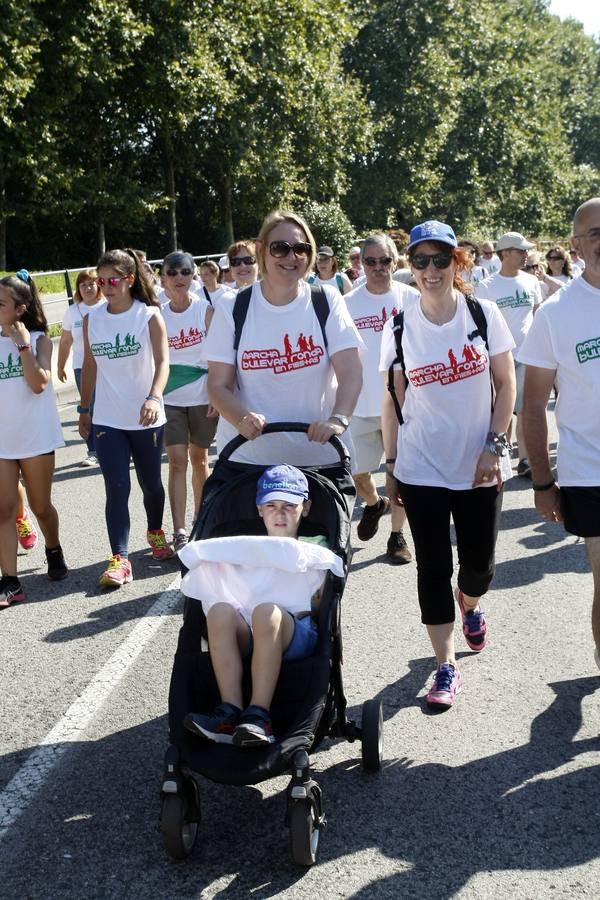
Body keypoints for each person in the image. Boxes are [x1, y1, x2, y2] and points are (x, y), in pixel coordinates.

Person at [380, 221, 516, 708]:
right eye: (421, 260)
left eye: (441, 260)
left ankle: (471, 603)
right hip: (421, 467)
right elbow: (392, 399)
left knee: (478, 567)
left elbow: (506, 385)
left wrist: (493, 445)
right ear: (410, 266)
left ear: (457, 262)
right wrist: (392, 464)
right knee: (432, 568)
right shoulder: (398, 326)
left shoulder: (484, 314)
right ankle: (445, 665)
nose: (430, 270)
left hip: (479, 465)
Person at [181, 465, 343, 746]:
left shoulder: (314, 544)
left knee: (267, 611)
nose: (279, 513)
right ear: (259, 509)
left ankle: (259, 715)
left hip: (295, 631)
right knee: (219, 610)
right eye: (271, 506)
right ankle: (229, 710)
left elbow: (320, 601)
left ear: (305, 508)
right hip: (247, 631)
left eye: (288, 506)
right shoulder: (242, 547)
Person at [205, 209, 363, 468]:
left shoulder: (325, 300)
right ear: (261, 249)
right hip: (249, 458)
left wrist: (339, 419)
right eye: (280, 248)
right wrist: (241, 417)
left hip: (319, 456)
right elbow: (217, 385)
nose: (291, 257)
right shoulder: (232, 307)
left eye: (301, 248)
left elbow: (351, 370)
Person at [518, 197, 600, 673]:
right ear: (575, 245)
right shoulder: (556, 313)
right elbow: (533, 404)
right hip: (589, 471)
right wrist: (544, 482)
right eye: (595, 233)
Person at [79, 248, 174, 588]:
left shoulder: (148, 315)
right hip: (107, 419)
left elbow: (164, 363)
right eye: (101, 281)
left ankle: (155, 531)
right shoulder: (93, 318)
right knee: (116, 486)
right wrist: (84, 409)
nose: (106, 287)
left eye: (113, 280)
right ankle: (120, 557)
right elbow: (90, 366)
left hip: (147, 416)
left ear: (130, 280)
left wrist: (153, 396)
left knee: (151, 483)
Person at [345, 233, 417, 563]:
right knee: (356, 473)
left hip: (403, 405)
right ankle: (374, 504)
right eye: (370, 261)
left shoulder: (412, 298)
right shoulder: (347, 304)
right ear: (360, 263)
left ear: (395, 260)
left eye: (384, 260)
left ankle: (397, 536)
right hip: (359, 405)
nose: (378, 267)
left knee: (401, 473)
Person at [0, 270, 68, 607]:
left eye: (0, 303)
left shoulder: (40, 338)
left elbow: (39, 383)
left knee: (40, 507)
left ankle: (53, 547)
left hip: (35, 438)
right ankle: (10, 581)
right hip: (2, 440)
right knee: (4, 510)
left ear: (19, 309)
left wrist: (21, 344)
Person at [160, 250, 217, 551]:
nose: (179, 278)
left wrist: (216, 394)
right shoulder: (158, 314)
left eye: (185, 272)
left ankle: (201, 518)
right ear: (163, 278)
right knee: (177, 462)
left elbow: (219, 356)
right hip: (169, 398)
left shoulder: (204, 310)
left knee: (200, 459)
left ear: (193, 274)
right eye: (172, 272)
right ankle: (180, 529)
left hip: (202, 396)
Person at [476, 232, 542, 479]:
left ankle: (525, 460)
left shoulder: (530, 281)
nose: (526, 254)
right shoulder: (487, 286)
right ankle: (503, 454)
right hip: (498, 357)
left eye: (525, 251)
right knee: (502, 409)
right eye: (520, 250)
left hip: (527, 354)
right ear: (505, 253)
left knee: (525, 409)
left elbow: (537, 315)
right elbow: (480, 324)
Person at [57, 268, 105, 466]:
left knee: (107, 407)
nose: (87, 288)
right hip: (81, 367)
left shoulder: (107, 306)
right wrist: (60, 366)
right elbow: (66, 340)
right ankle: (93, 450)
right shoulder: (73, 311)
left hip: (107, 365)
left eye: (91, 283)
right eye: (83, 285)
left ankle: (112, 446)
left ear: (99, 285)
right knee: (90, 407)